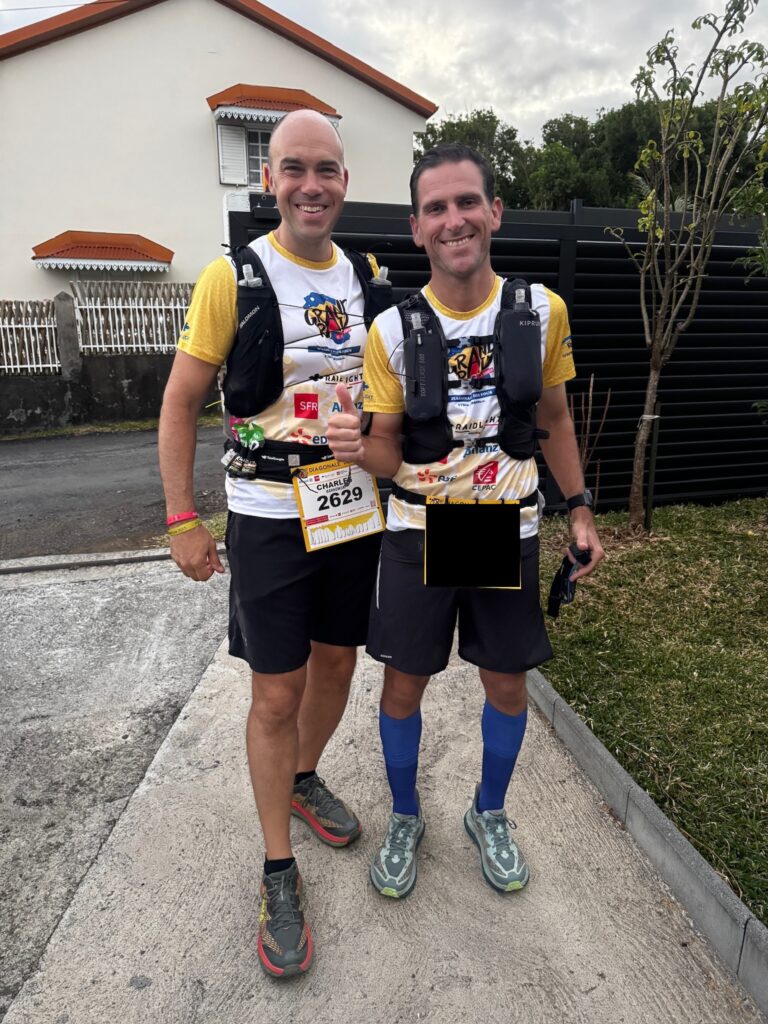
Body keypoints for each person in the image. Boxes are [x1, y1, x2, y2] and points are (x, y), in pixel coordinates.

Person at [326, 142, 604, 899]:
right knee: (404, 686)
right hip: (419, 527)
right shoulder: (390, 334)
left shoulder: (540, 312)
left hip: (500, 526)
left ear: (494, 212)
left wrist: (579, 511)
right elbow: (386, 457)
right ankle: (407, 815)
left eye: (466, 203)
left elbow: (556, 421)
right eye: (437, 208)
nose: (454, 220)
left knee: (506, 685)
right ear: (416, 228)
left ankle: (489, 812)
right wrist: (358, 450)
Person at [158, 110, 386, 976]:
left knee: (336, 667)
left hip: (348, 510)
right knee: (275, 694)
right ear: (270, 180)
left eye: (325, 168)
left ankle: (301, 778)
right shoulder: (234, 276)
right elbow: (180, 402)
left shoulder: (369, 277)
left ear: (344, 180)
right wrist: (183, 518)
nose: (310, 184)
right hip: (264, 516)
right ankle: (276, 866)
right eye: (293, 168)